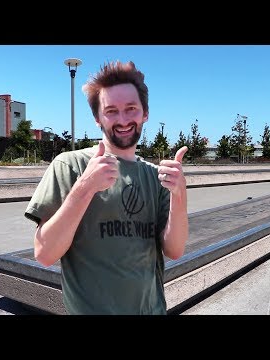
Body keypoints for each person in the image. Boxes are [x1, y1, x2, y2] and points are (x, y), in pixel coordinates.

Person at [24, 60, 189, 315]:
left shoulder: (155, 176)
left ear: (145, 113)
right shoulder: (70, 166)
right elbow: (44, 254)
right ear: (98, 118)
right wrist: (85, 187)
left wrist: (179, 194)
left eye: (131, 109)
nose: (122, 119)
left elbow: (175, 250)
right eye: (111, 111)